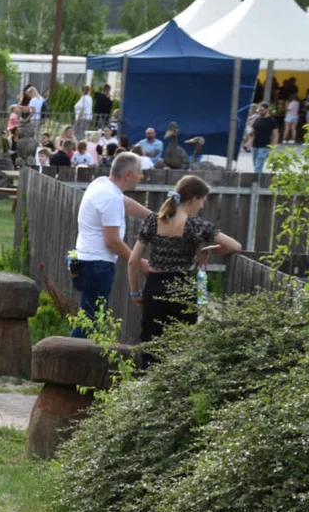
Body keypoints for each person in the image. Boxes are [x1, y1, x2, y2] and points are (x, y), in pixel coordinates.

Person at [128, 175, 241, 349]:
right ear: (194, 198)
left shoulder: (152, 221)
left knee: (151, 344)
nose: (202, 205)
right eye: (202, 200)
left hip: (154, 286)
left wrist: (135, 292)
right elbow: (235, 246)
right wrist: (207, 250)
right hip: (181, 288)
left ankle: (147, 376)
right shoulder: (196, 225)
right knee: (181, 345)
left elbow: (132, 261)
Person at [69, 151, 150, 339]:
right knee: (90, 323)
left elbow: (126, 204)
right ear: (128, 174)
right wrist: (138, 262)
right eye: (140, 172)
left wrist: (154, 217)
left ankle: (75, 360)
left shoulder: (102, 184)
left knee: (88, 318)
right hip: (98, 265)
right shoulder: (110, 197)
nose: (142, 176)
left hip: (87, 261)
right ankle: (74, 363)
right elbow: (112, 240)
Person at [247, 104, 279, 174]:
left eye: (261, 110)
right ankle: (259, 181)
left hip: (264, 146)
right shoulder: (257, 119)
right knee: (256, 166)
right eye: (259, 110)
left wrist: (272, 148)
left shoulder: (272, 120)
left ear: (267, 110)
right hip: (255, 145)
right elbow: (253, 131)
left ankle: (256, 183)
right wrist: (250, 133)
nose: (259, 112)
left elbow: (275, 135)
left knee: (258, 167)